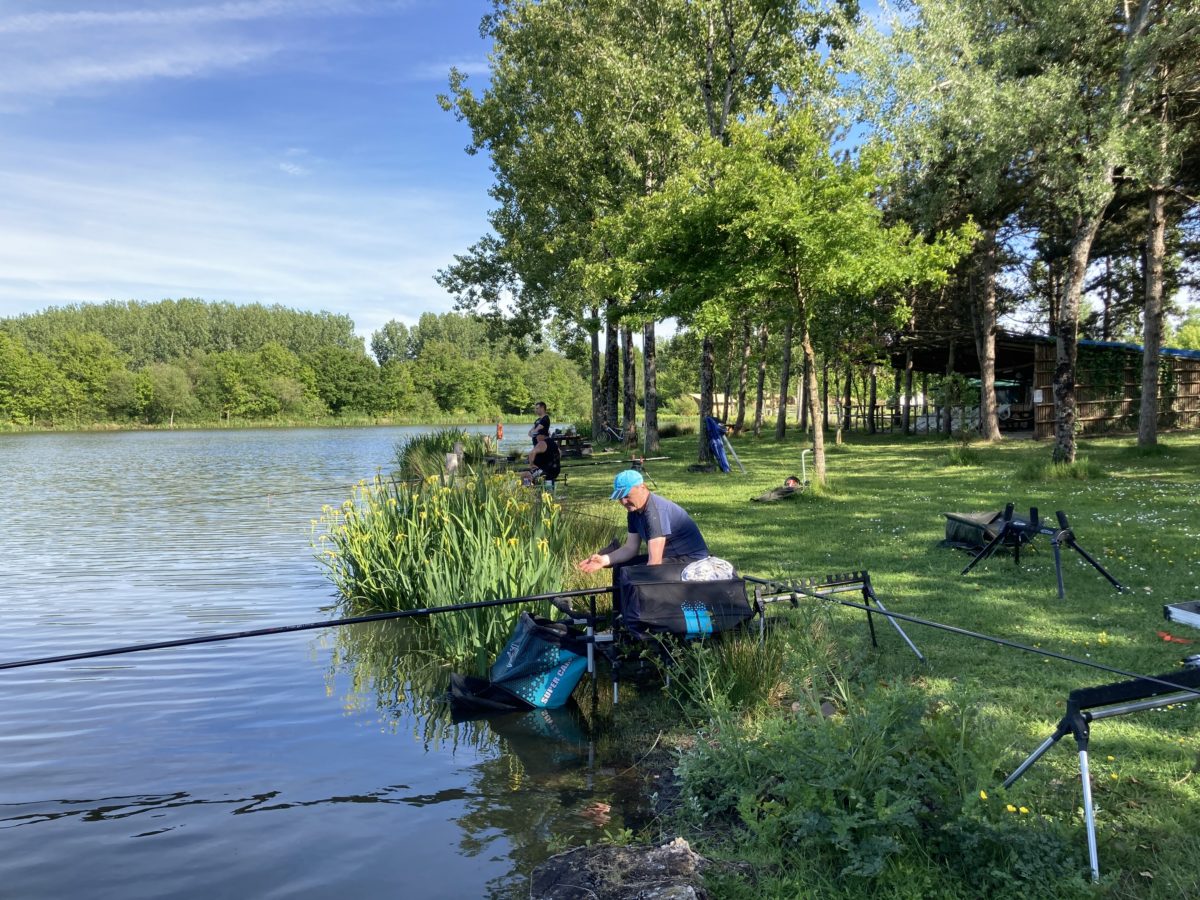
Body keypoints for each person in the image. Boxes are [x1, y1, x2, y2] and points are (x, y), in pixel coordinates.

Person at [577, 470, 708, 574]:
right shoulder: (634, 512)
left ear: (642, 487)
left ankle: (640, 608)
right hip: (671, 557)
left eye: (627, 496)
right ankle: (621, 608)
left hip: (692, 560)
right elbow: (630, 548)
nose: (623, 502)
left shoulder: (655, 513)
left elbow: (654, 563)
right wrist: (604, 560)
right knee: (622, 567)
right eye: (620, 497)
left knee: (632, 573)